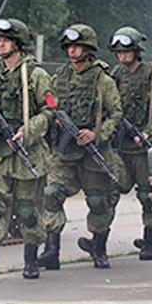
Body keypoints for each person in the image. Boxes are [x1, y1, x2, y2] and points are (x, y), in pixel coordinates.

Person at [0, 18, 53, 282]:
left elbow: (50, 111)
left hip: (27, 151)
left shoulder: (36, 75)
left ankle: (31, 259)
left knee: (27, 209)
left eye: (5, 40)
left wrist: (28, 131)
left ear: (17, 44)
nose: (0, 44)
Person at [40, 24, 123, 269]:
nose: (73, 51)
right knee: (51, 194)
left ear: (88, 49)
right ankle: (51, 251)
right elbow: (50, 103)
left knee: (98, 200)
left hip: (92, 149)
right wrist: (53, 117)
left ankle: (99, 248)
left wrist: (96, 133)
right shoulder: (60, 77)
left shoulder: (102, 80)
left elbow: (116, 113)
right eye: (70, 47)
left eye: (78, 47)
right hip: (65, 151)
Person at [108, 27, 152, 260]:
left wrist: (148, 132)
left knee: (147, 195)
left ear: (136, 51)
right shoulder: (114, 76)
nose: (122, 56)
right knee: (110, 191)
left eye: (127, 51)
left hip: (143, 145)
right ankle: (99, 242)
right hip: (119, 144)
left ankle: (151, 241)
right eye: (119, 52)